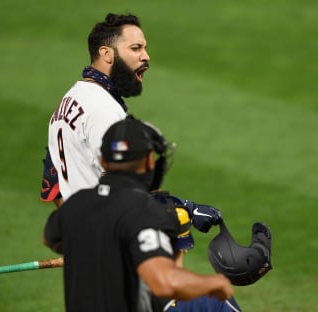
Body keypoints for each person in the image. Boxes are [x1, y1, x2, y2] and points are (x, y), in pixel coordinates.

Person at [43, 116, 234, 312]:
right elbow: (164, 282)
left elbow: (49, 239)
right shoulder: (145, 211)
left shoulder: (77, 204)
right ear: (150, 161)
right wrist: (214, 282)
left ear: (102, 161)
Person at [41, 13, 150, 207]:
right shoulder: (103, 110)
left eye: (144, 48)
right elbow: (125, 191)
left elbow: (54, 187)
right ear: (106, 54)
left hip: (76, 230)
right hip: (104, 232)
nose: (145, 56)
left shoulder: (68, 100)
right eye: (136, 48)